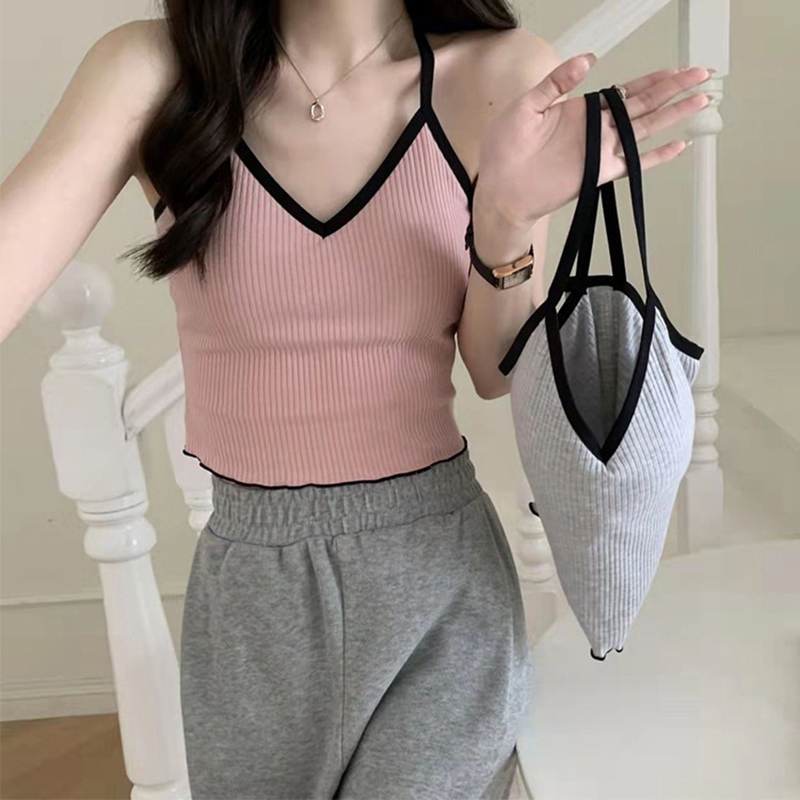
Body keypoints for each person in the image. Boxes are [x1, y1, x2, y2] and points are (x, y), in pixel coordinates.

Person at [0, 1, 711, 797]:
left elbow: (493, 368)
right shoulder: (155, 71)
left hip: (439, 585)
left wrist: (506, 219)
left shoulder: (497, 72)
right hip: (251, 599)